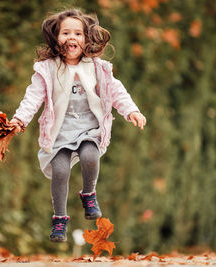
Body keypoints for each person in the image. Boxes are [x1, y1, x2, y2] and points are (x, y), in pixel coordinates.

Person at [10, 9, 146, 242]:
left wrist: (131, 110)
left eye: (78, 33)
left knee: (90, 156)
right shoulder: (47, 69)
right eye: (65, 33)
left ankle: (88, 194)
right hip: (59, 132)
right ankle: (60, 220)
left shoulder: (97, 67)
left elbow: (116, 91)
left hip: (89, 129)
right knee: (60, 171)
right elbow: (32, 98)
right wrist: (19, 119)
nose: (72, 37)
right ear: (56, 38)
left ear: (86, 39)